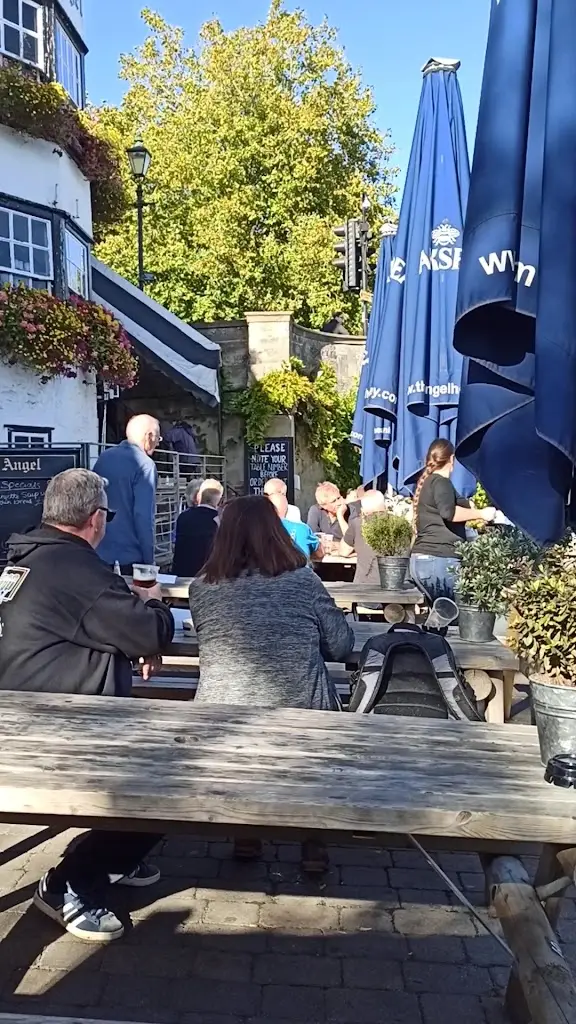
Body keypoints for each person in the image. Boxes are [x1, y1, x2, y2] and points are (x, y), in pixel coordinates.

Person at [0, 468, 174, 942]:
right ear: (95, 519)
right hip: (58, 728)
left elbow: (78, 627)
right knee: (167, 782)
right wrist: (153, 603)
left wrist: (124, 639)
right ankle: (70, 882)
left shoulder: (26, 558)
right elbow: (150, 631)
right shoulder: (77, 570)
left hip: (23, 717)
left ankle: (111, 856)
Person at [189, 495, 354, 710]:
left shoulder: (202, 588)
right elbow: (340, 645)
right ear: (276, 532)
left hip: (220, 710)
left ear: (223, 536)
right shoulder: (303, 581)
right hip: (302, 713)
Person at [410, 440, 496, 601]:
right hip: (439, 559)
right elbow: (449, 513)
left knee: (440, 617)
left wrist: (469, 507)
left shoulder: (429, 482)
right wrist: (481, 513)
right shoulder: (441, 482)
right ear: (452, 459)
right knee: (459, 616)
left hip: (424, 560)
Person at [93, 414, 161, 572]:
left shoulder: (104, 457)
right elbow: (143, 516)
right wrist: (149, 561)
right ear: (149, 436)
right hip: (130, 557)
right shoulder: (145, 465)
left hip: (99, 552)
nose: (158, 443)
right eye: (158, 437)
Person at [172, 478, 224, 577]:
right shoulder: (219, 519)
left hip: (181, 574)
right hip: (207, 578)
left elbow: (175, 545)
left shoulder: (183, 517)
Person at [339, 489, 387, 584]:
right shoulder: (402, 524)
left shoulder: (358, 523)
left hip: (365, 585)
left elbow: (343, 551)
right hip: (396, 583)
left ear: (363, 509)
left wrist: (358, 552)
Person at [268, 492, 323, 561]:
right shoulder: (303, 528)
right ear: (287, 510)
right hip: (300, 570)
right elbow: (320, 553)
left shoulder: (259, 530)